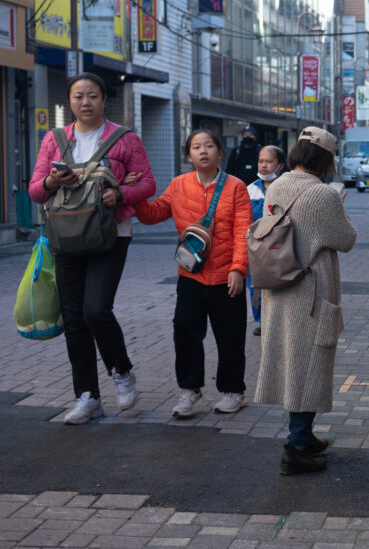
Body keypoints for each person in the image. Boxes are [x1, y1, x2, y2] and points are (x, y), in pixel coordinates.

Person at [28, 72, 156, 424]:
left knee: (96, 309)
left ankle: (122, 370)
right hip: (66, 236)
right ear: (70, 102)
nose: (85, 102)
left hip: (110, 233)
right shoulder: (53, 140)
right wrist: (52, 180)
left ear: (104, 100)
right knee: (74, 318)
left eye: (93, 96)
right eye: (79, 96)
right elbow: (35, 191)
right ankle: (87, 396)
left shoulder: (124, 138)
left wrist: (120, 194)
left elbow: (147, 182)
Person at [255, 126, 357, 475]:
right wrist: (340, 211)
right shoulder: (323, 195)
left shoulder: (277, 184)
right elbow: (346, 239)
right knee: (308, 365)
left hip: (280, 285)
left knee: (293, 360)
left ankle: (305, 435)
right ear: (325, 159)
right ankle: (297, 448)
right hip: (311, 291)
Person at [133, 130, 253, 419]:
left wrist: (238, 269)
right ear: (188, 155)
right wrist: (135, 195)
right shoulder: (178, 185)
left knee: (230, 336)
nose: (203, 151)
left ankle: (232, 390)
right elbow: (152, 215)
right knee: (184, 330)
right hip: (191, 275)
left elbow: (243, 232)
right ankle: (189, 390)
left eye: (209, 146)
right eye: (196, 147)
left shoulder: (236, 187)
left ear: (220, 152)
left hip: (226, 276)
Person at [248, 145, 286, 335]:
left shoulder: (286, 189)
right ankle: (263, 321)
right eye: (261, 161)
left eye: (269, 161)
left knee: (281, 285)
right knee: (255, 286)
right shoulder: (250, 190)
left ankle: (280, 320)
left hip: (281, 247)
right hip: (256, 249)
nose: (264, 166)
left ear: (280, 165)